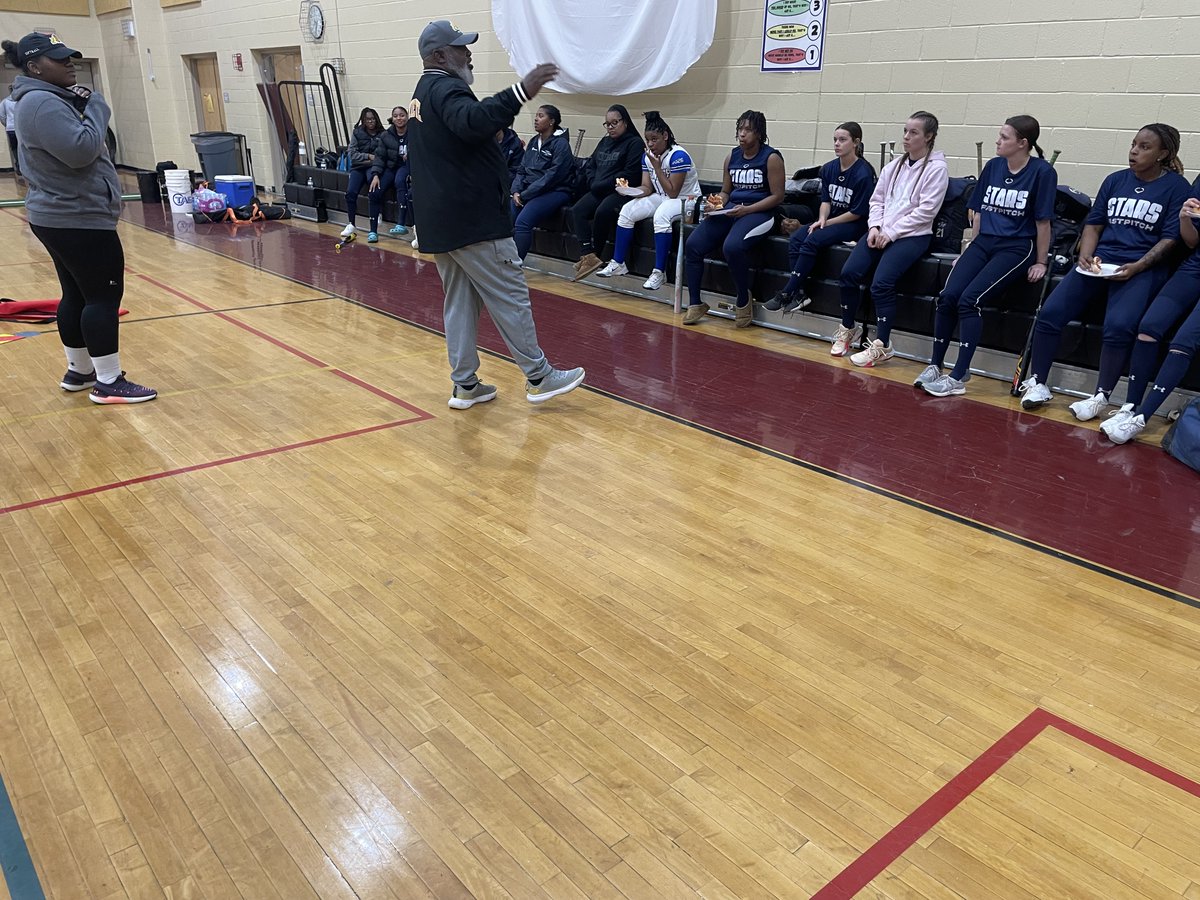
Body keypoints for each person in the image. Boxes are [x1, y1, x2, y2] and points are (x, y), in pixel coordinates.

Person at [407, 20, 584, 408]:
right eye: (460, 48)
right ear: (439, 55)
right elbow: (473, 122)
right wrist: (521, 90)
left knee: (460, 302)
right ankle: (539, 376)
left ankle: (465, 385)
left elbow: (460, 137)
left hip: (443, 222)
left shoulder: (423, 92)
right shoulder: (446, 87)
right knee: (510, 294)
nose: (468, 53)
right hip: (474, 222)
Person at [3, 32, 155, 403]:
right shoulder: (42, 103)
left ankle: (81, 371)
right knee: (102, 297)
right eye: (60, 59)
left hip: (62, 213)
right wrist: (99, 107)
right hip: (76, 215)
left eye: (70, 56)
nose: (70, 63)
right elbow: (80, 151)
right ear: (35, 68)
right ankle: (108, 382)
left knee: (76, 294)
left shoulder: (43, 99)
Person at [1019, 124, 1190, 415]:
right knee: (1050, 313)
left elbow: (1170, 239)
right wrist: (1085, 255)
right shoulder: (1115, 180)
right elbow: (1094, 224)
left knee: (1118, 326)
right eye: (1134, 144)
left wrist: (1138, 266)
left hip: (1141, 266)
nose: (1134, 151)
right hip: (1101, 262)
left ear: (1163, 154)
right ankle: (1038, 382)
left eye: (1145, 147)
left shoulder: (1176, 188)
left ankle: (1101, 396)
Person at [916, 116, 1057, 397]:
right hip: (984, 243)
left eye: (1004, 137)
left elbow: (1043, 223)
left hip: (1017, 246)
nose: (998, 141)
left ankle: (958, 376)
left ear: (1022, 143)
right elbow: (978, 213)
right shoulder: (993, 167)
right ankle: (935, 364)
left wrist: (1041, 261)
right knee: (947, 297)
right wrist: (969, 251)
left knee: (970, 301)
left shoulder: (1042, 172)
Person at [836, 111, 949, 365]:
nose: (906, 137)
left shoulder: (937, 169)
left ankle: (883, 344)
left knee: (881, 284)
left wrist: (892, 232)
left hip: (912, 235)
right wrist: (875, 227)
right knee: (848, 273)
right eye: (905, 131)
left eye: (914, 133)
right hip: (882, 231)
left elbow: (926, 211)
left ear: (929, 137)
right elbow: (876, 200)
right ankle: (847, 328)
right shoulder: (894, 165)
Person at [1101, 194, 1200, 444]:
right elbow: (1191, 241)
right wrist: (1184, 219)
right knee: (1148, 327)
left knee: (1183, 341)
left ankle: (1142, 418)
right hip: (1195, 266)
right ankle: (1130, 406)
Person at [681, 110, 785, 327]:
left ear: (759, 133)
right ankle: (695, 303)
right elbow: (726, 191)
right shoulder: (732, 156)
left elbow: (777, 196)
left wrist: (747, 210)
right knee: (693, 244)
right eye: (740, 129)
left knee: (732, 247)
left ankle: (743, 299)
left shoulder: (771, 157)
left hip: (760, 212)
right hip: (733, 209)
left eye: (748, 130)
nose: (742, 134)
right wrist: (716, 203)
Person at [764, 121, 876, 313]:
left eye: (842, 140)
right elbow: (826, 201)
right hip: (831, 219)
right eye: (835, 140)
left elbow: (857, 212)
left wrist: (826, 223)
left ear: (856, 142)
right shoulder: (829, 168)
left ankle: (787, 291)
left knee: (812, 239)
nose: (837, 144)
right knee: (797, 237)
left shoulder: (863, 173)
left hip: (854, 223)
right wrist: (822, 219)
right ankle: (799, 293)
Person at [595, 111, 700, 291]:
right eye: (648, 140)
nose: (650, 144)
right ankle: (618, 263)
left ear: (665, 136)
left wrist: (658, 168)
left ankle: (659, 272)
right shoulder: (647, 156)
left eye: (655, 139)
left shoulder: (679, 155)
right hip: (661, 196)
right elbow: (647, 188)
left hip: (686, 200)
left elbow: (673, 192)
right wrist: (630, 192)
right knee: (627, 211)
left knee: (662, 215)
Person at [568, 104, 644, 281]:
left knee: (603, 211)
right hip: (598, 188)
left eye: (614, 123)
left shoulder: (635, 143)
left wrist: (601, 184)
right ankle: (588, 255)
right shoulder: (604, 141)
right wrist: (592, 181)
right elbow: (591, 164)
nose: (610, 127)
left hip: (620, 191)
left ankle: (597, 255)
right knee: (578, 210)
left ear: (625, 122)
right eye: (607, 124)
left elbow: (630, 174)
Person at [510, 104, 575, 260]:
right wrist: (516, 191)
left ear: (551, 121)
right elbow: (521, 170)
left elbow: (552, 177)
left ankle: (516, 265)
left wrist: (525, 195)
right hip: (528, 191)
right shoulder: (533, 142)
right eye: (536, 116)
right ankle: (501, 260)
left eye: (541, 116)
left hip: (555, 191)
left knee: (523, 222)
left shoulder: (561, 144)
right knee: (506, 217)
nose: (536, 119)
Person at [339, 107, 385, 243]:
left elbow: (382, 154)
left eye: (373, 119)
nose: (371, 122)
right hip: (358, 167)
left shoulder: (383, 134)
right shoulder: (357, 132)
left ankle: (377, 215)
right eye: (368, 119)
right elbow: (352, 154)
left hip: (373, 167)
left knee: (374, 189)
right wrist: (368, 156)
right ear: (363, 121)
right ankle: (351, 224)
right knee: (350, 192)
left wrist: (372, 160)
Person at [370, 105, 413, 236]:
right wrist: (376, 174)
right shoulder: (386, 135)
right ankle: (373, 231)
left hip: (406, 166)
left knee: (400, 181)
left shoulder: (415, 133)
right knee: (374, 191)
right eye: (396, 116)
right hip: (390, 167)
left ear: (407, 117)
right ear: (392, 119)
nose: (399, 118)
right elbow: (380, 156)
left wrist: (410, 155)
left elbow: (421, 150)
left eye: (402, 115)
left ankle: (401, 224)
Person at [0, 84, 17, 177]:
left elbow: (2, 116)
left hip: (10, 128)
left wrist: (7, 124)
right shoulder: (22, 100)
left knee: (14, 148)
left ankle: (18, 165)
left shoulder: (5, 102)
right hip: (21, 128)